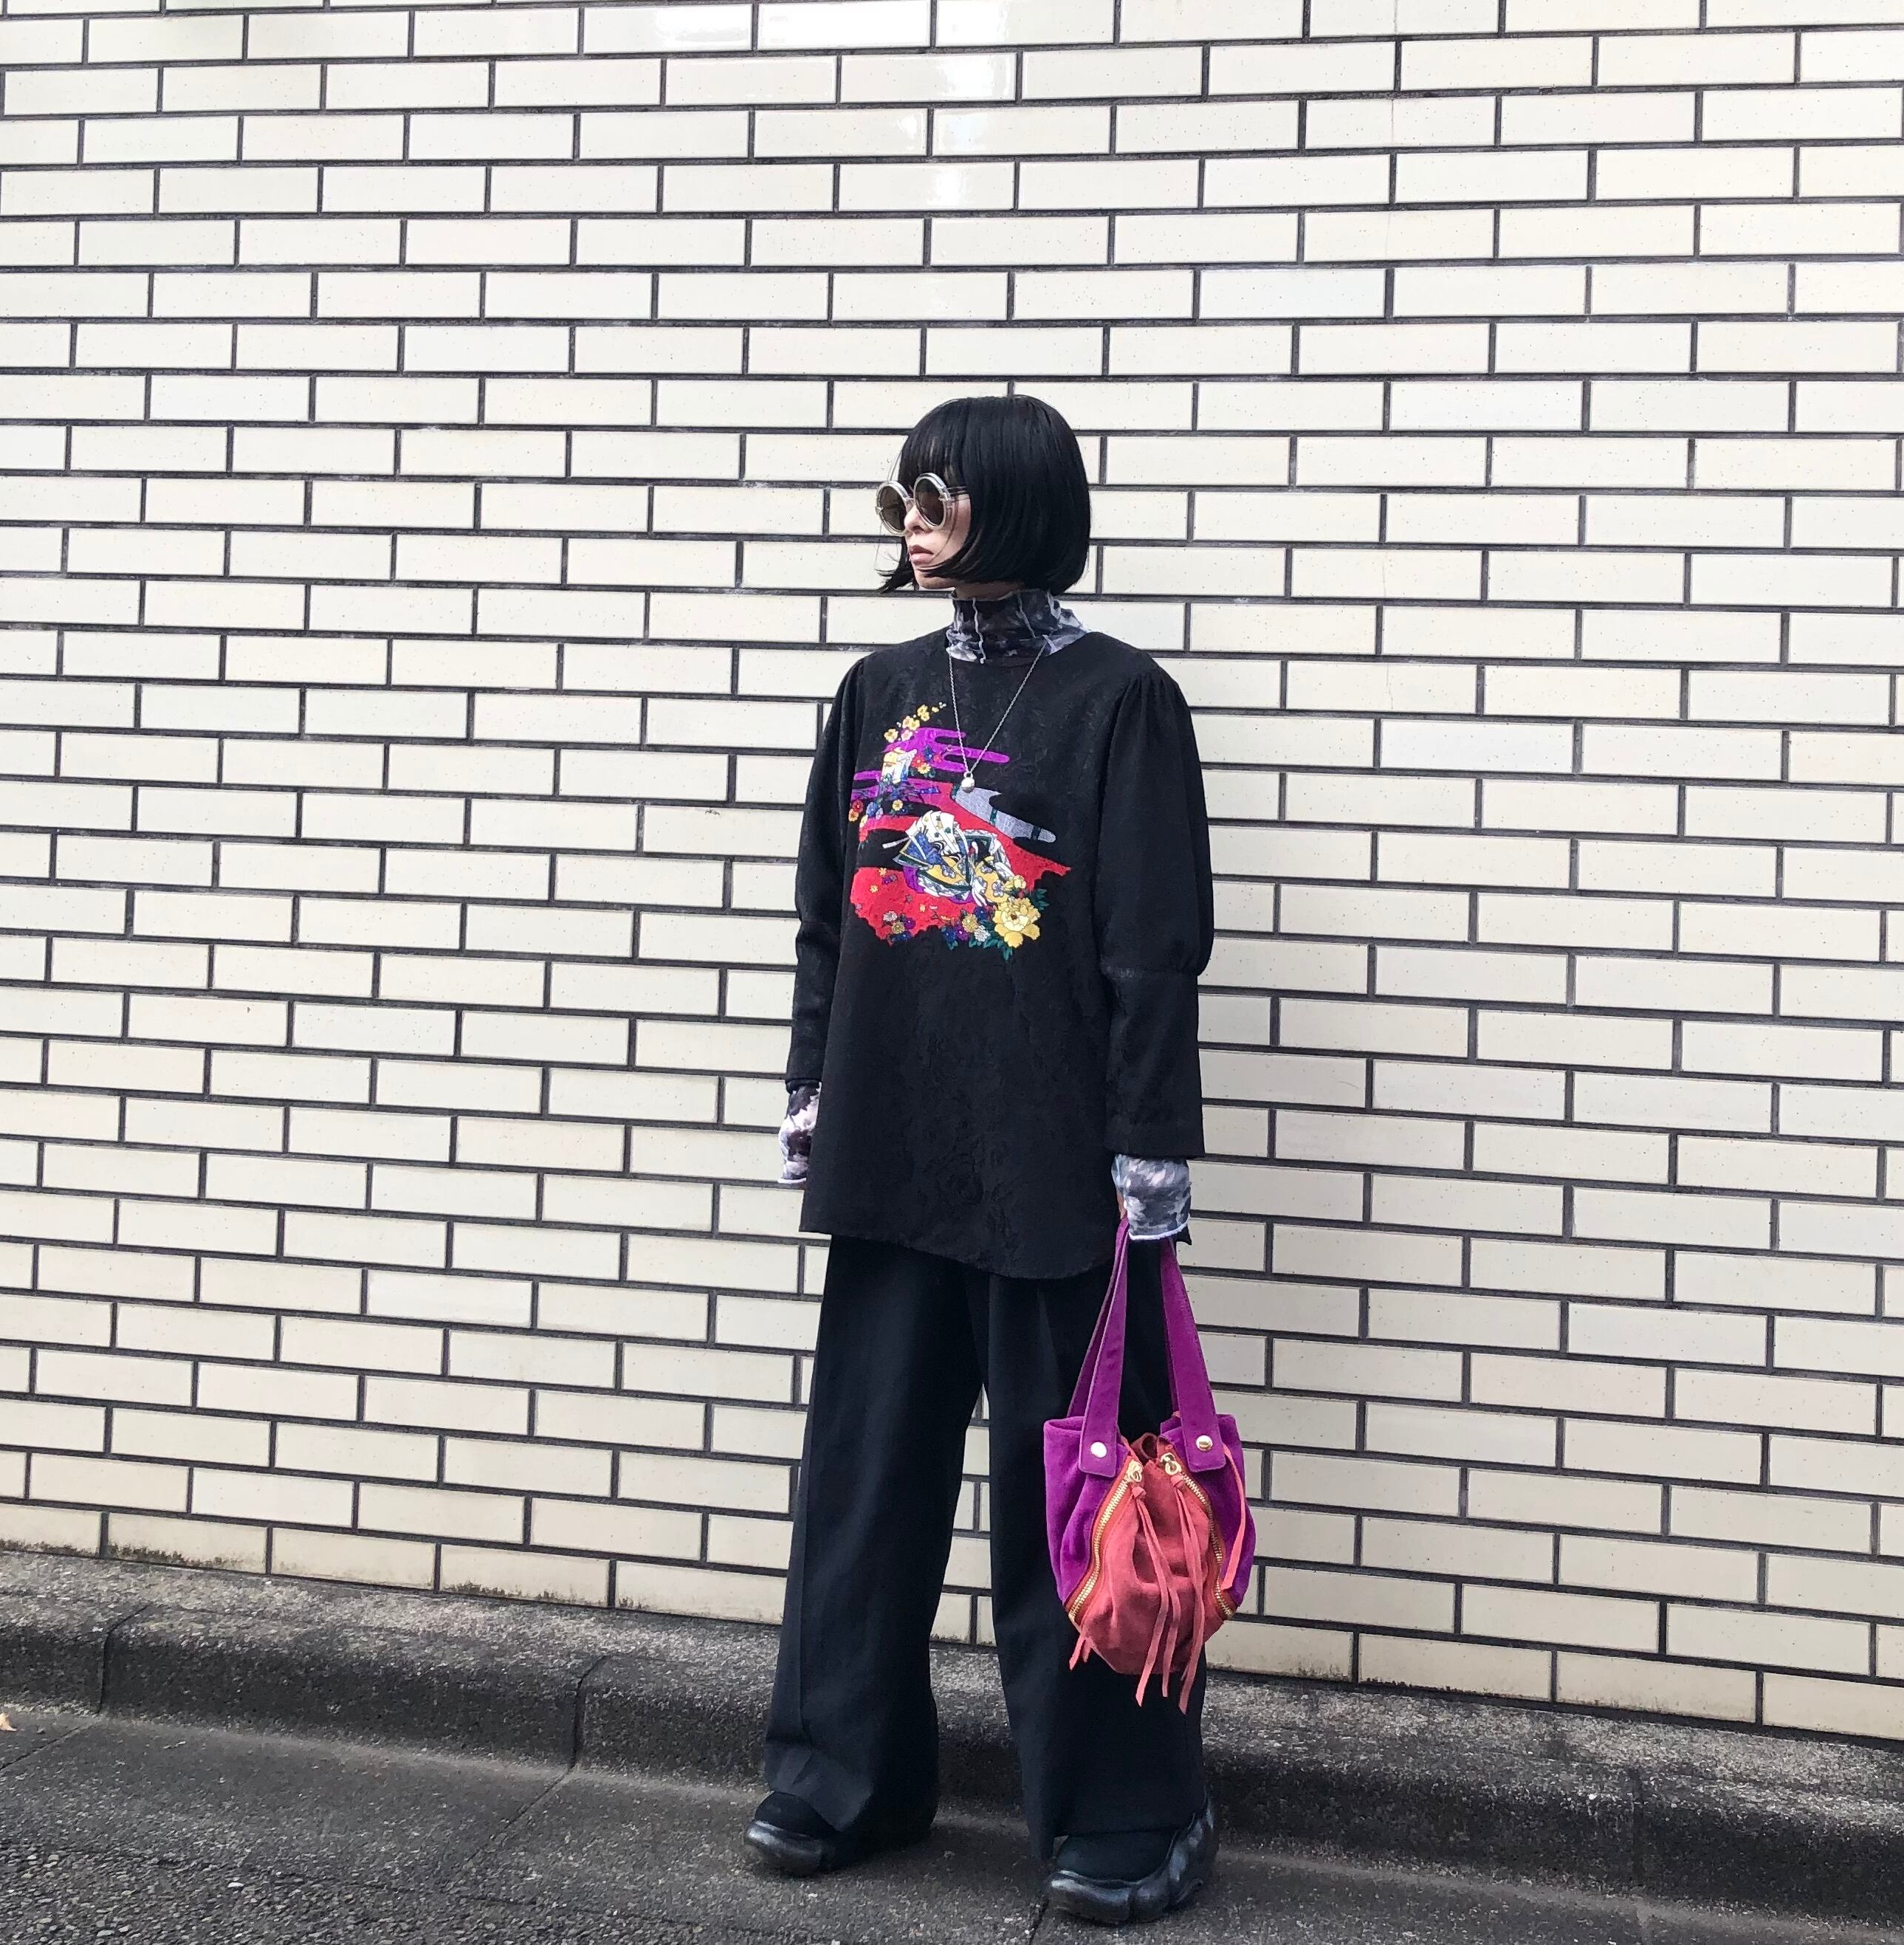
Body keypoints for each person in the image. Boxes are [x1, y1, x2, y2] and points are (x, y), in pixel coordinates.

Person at [747, 393, 1218, 1925]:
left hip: (1055, 1171)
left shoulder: (1121, 700)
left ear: (1014, 503)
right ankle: (843, 1778)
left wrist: (1149, 1155)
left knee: (1075, 1500)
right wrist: (813, 1083)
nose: (912, 523)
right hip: (890, 1152)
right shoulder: (877, 690)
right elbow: (828, 911)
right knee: (864, 1484)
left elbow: (1154, 949)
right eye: (903, 498)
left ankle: (1129, 1809)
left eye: (937, 496)